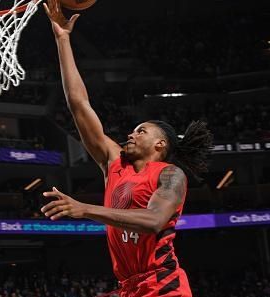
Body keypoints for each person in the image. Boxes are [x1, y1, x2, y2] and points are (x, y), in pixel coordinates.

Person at [40, 0, 213, 296]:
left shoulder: (170, 175)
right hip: (127, 287)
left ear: (161, 144)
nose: (131, 135)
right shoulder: (114, 164)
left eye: (140, 131)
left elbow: (154, 220)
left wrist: (85, 209)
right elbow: (79, 105)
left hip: (162, 284)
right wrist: (63, 40)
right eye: (132, 131)